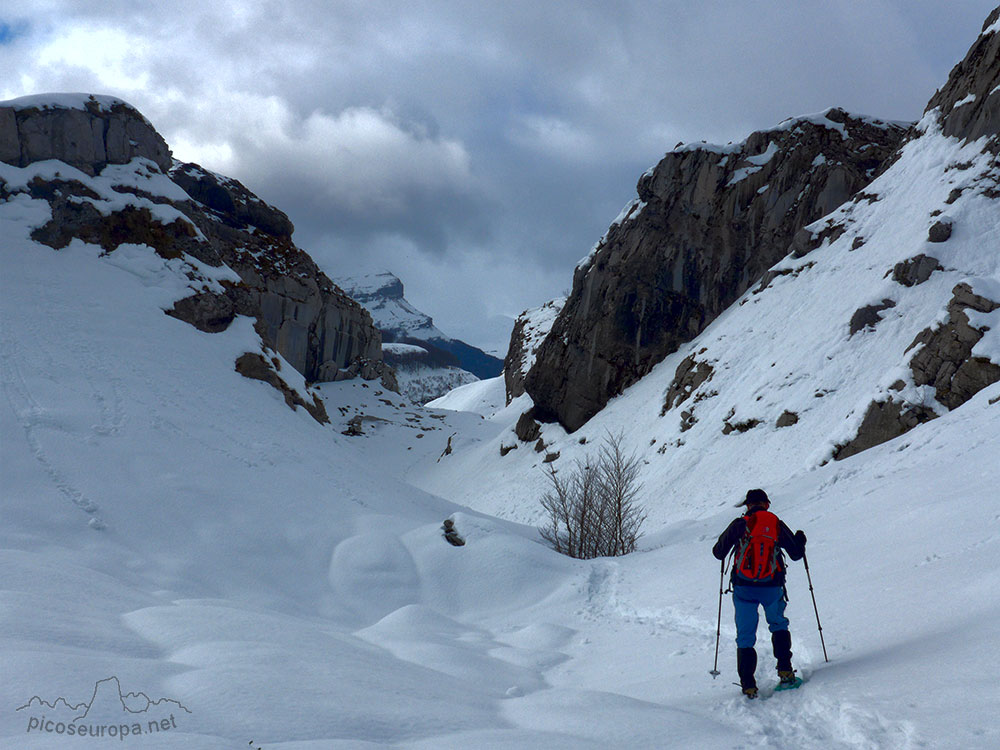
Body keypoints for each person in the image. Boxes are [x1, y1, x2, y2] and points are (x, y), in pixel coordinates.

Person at [712, 488, 806, 698]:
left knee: (745, 636)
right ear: (767, 504)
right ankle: (785, 672)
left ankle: (749, 685)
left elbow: (718, 552)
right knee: (778, 625)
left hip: (744, 587)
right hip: (772, 585)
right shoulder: (774, 523)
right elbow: (796, 554)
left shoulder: (739, 524)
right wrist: (801, 539)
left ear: (748, 505)